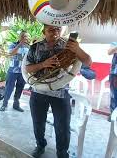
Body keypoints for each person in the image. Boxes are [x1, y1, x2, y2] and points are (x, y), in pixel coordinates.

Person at [25, 24, 92, 158]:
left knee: (62, 127)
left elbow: (88, 62)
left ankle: (62, 153)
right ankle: (40, 145)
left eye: (58, 29)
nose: (55, 32)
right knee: (38, 123)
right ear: (43, 31)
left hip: (61, 93)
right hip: (39, 91)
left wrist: (77, 49)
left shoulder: (69, 45)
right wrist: (44, 64)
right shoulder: (35, 47)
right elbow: (27, 69)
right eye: (51, 30)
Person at [0, 31, 30, 112]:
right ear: (19, 37)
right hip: (13, 71)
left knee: (20, 89)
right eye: (23, 36)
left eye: (26, 36)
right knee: (9, 88)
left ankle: (16, 105)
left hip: (23, 72)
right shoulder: (13, 44)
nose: (25, 38)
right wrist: (20, 44)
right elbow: (11, 53)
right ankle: (4, 104)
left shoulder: (28, 47)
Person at [108, 42, 117, 121]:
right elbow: (109, 52)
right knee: (114, 95)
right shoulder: (114, 43)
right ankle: (113, 115)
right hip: (114, 74)